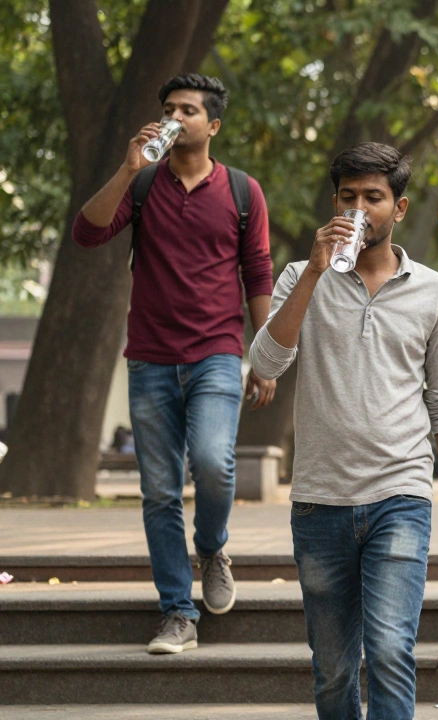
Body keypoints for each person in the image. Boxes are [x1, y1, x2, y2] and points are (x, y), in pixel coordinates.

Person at [248, 143, 438, 719]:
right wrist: (316, 272)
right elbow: (267, 365)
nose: (359, 208)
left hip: (400, 495)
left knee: (392, 650)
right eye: (348, 197)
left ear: (398, 208)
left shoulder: (436, 293)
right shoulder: (302, 275)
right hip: (319, 500)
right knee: (334, 669)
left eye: (373, 197)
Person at [71, 74, 275, 654]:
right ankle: (177, 613)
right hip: (150, 358)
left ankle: (211, 548)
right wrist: (127, 168)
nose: (174, 115)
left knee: (213, 462)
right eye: (168, 107)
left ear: (211, 125)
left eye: (187, 109)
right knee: (159, 490)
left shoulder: (241, 190)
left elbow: (256, 272)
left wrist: (264, 354)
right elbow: (87, 233)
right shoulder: (141, 187)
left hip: (216, 352)